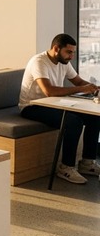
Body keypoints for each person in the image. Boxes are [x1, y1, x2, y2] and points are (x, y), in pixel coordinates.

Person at [19, 33, 100, 184]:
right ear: (56, 49)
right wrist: (82, 89)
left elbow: (78, 82)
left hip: (54, 104)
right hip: (32, 106)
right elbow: (49, 91)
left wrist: (94, 88)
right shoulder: (39, 62)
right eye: (69, 52)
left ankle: (87, 163)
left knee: (94, 117)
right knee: (73, 122)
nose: (71, 56)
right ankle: (66, 168)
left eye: (73, 52)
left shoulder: (64, 62)